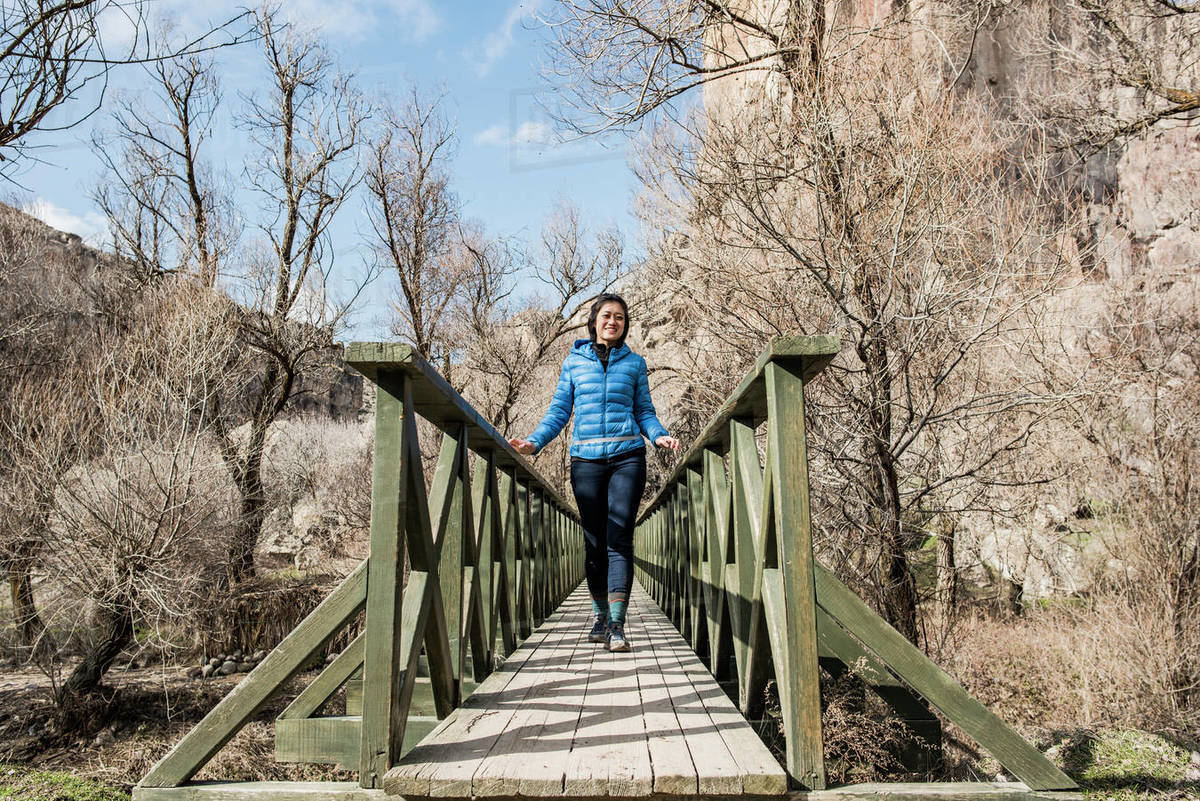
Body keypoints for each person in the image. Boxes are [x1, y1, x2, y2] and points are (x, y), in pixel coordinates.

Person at [508, 294, 680, 652]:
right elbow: (558, 412)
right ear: (595, 320)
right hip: (585, 460)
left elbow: (644, 410)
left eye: (619, 317)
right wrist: (533, 443)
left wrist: (657, 433)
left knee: (619, 538)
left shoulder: (635, 364)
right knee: (594, 542)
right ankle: (600, 615)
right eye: (607, 316)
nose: (612, 322)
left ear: (624, 324)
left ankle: (617, 626)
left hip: (627, 457)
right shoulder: (574, 362)